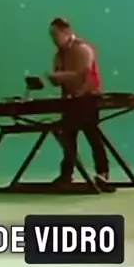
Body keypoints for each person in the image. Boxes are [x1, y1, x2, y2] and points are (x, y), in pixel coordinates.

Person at [47, 17, 110, 190]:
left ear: (66, 32)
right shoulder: (58, 55)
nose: (53, 39)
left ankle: (103, 173)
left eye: (55, 34)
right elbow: (60, 78)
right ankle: (66, 175)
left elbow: (83, 73)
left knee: (92, 135)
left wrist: (60, 76)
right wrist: (54, 79)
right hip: (71, 100)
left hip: (88, 97)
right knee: (68, 138)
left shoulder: (83, 49)